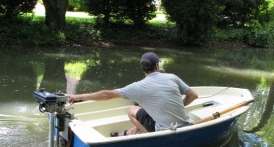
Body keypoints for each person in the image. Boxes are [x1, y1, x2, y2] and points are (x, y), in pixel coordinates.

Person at [68, 52, 198, 136]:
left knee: (131, 109)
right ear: (157, 66)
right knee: (140, 103)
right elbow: (193, 96)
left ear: (142, 68)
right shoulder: (172, 77)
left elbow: (107, 94)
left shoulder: (138, 86)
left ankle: (147, 135)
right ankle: (133, 131)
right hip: (185, 125)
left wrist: (77, 96)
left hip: (163, 130)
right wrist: (178, 106)